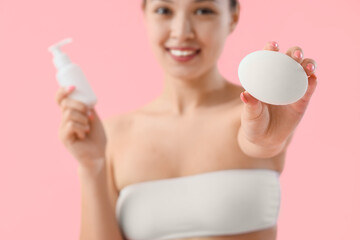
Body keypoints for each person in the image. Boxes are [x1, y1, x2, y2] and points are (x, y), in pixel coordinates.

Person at [55, 0, 318, 239]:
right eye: (164, 10)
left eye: (203, 10)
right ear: (145, 14)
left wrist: (266, 139)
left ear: (233, 16)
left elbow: (260, 144)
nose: (181, 31)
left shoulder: (258, 114)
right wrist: (92, 166)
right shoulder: (113, 135)